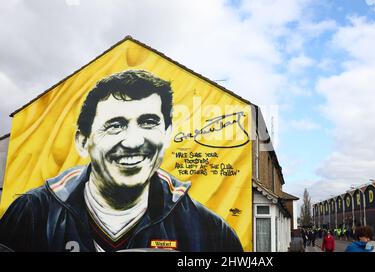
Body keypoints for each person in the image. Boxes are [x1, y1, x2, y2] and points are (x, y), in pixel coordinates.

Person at [0, 70, 243, 252]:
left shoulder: (210, 232)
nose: (134, 142)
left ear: (168, 134)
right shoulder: (32, 214)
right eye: (115, 125)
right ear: (83, 141)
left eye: (149, 122)